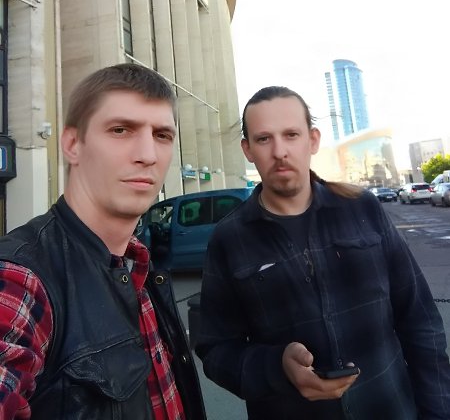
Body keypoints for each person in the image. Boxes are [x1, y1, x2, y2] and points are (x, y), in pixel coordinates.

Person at [196, 85, 450, 419]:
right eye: (264, 139)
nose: (280, 151)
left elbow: (420, 320)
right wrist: (277, 367)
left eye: (291, 135)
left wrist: (437, 410)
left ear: (312, 140)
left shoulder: (362, 209)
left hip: (391, 408)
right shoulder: (229, 238)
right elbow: (216, 349)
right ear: (248, 150)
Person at [0, 63, 206, 419]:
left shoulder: (139, 265)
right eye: (121, 130)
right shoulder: (22, 278)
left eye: (162, 135)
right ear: (72, 145)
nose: (148, 155)